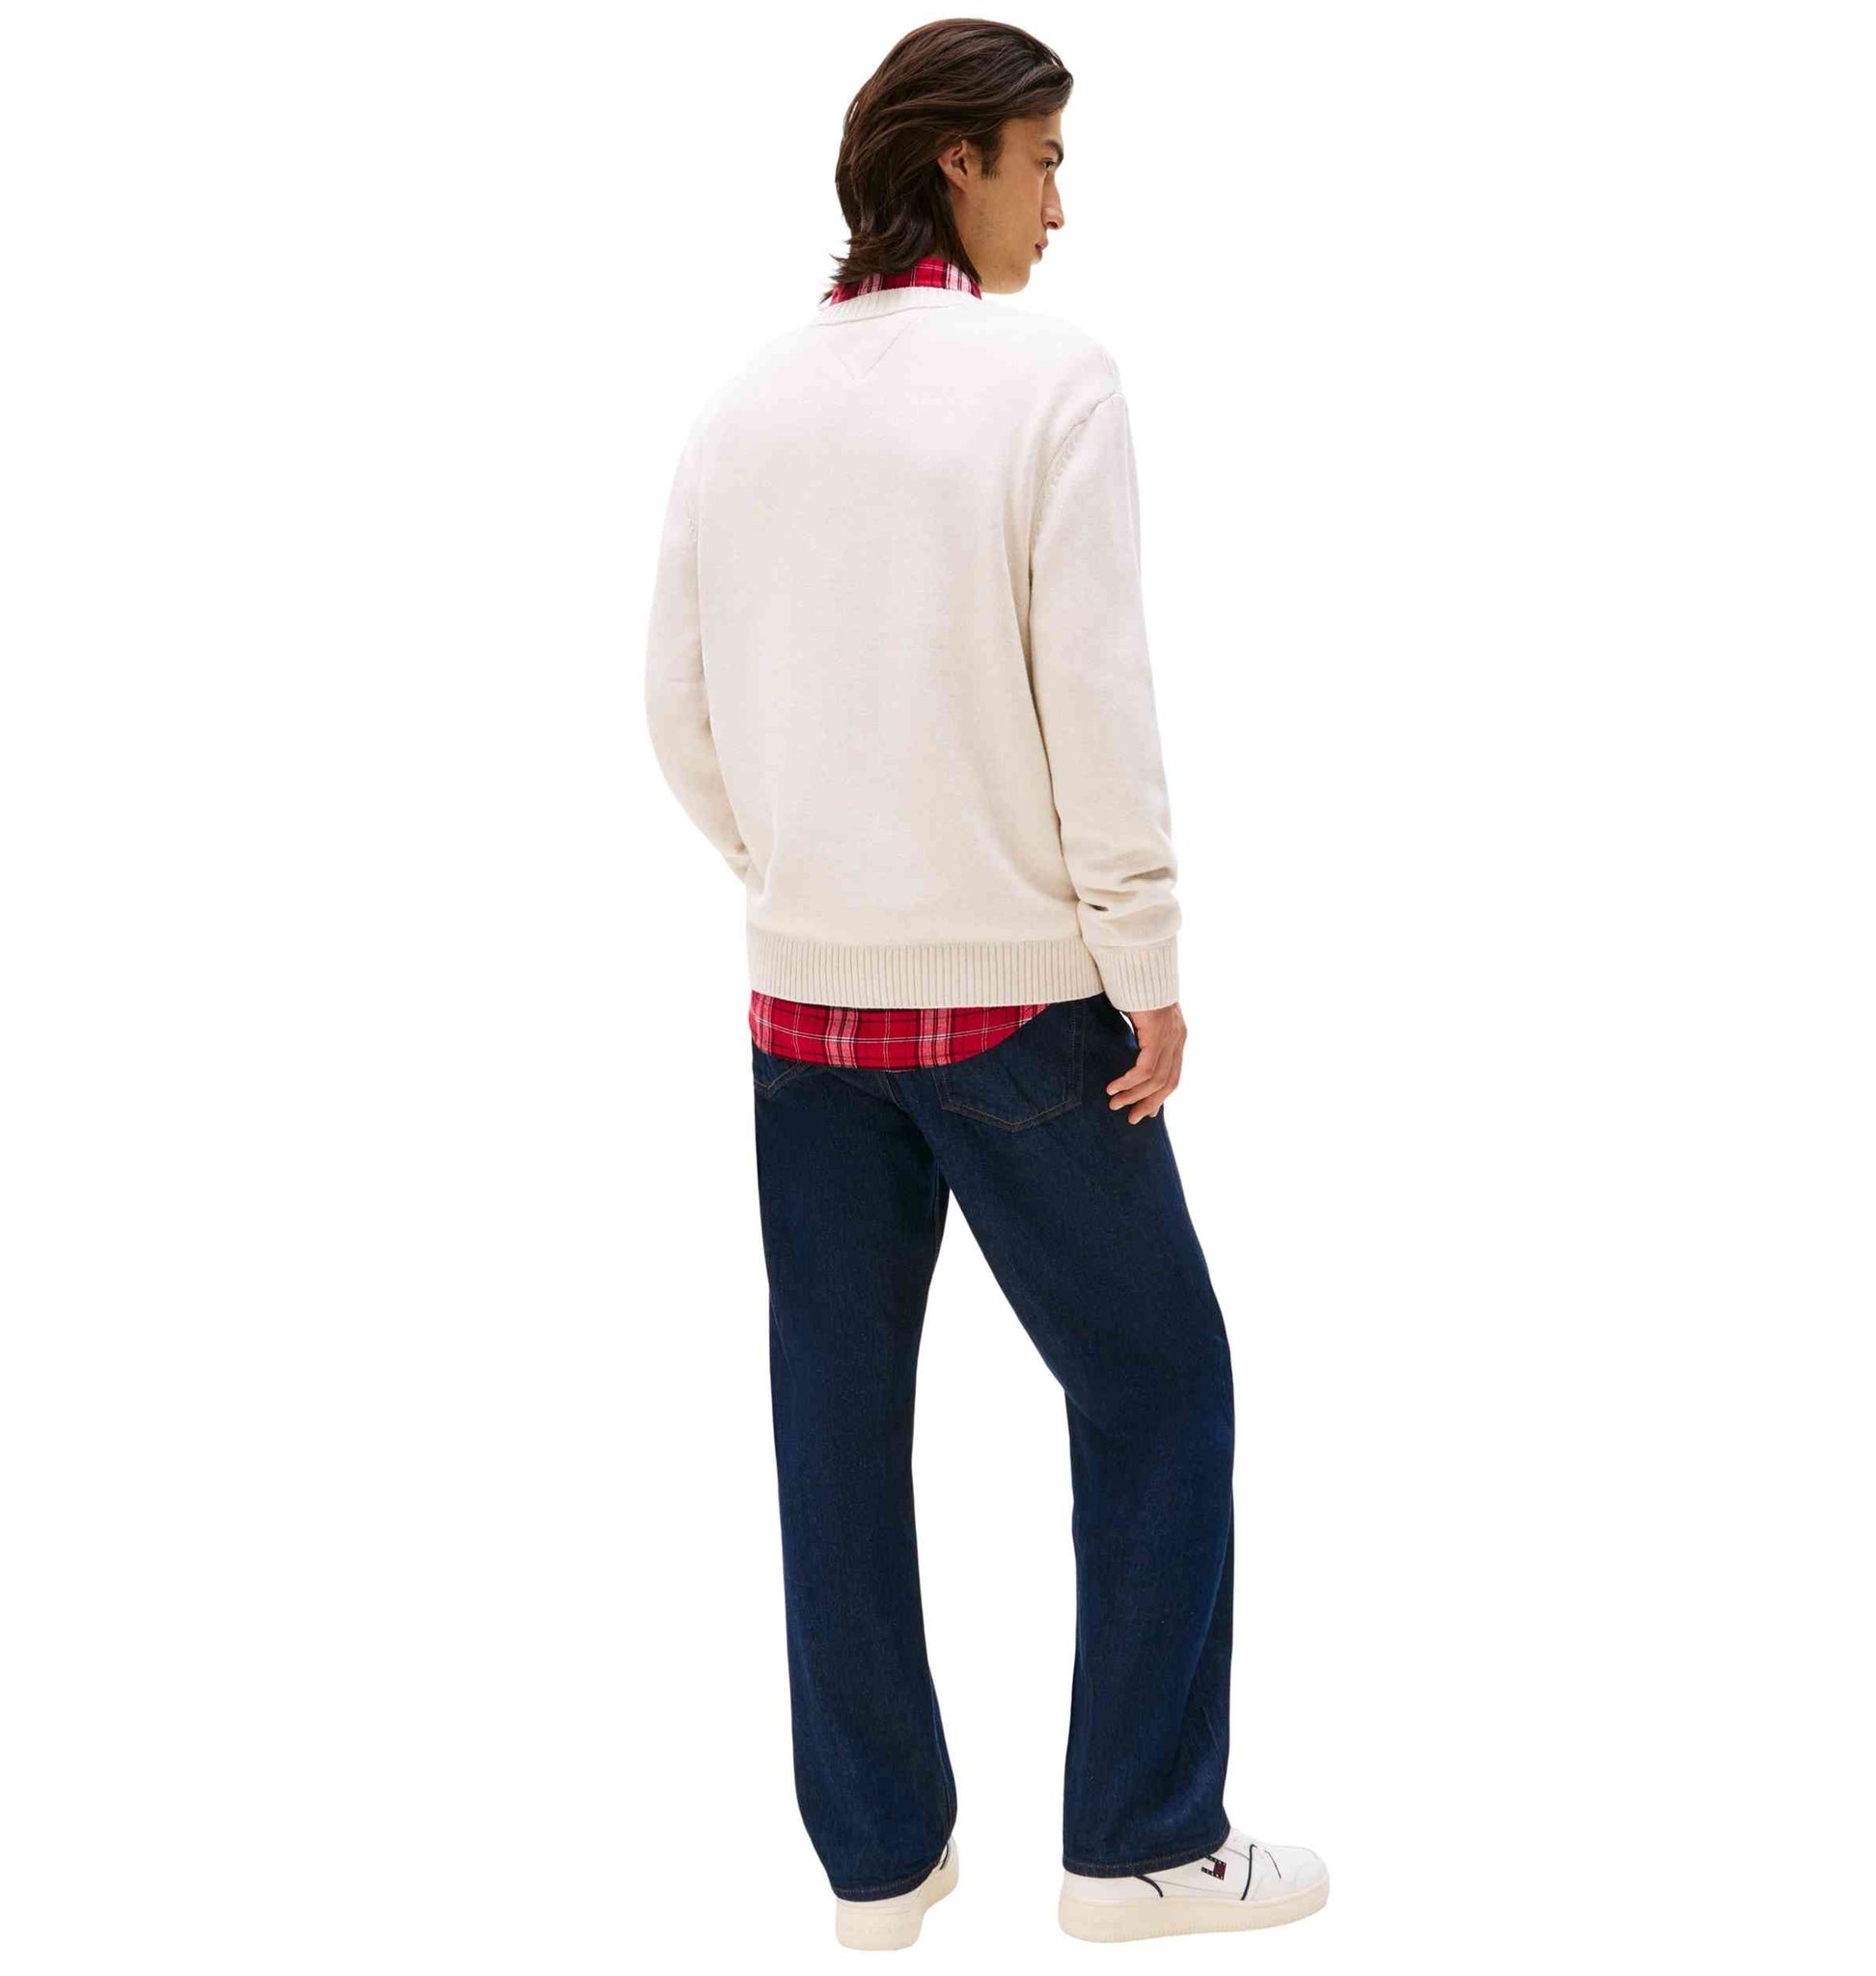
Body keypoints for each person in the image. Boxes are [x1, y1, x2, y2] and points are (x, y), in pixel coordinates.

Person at [644, 17, 1326, 1950]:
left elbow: (673, 704)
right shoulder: (1050, 384)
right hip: (1022, 1011)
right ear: (955, 163)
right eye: (1043, 161)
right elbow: (1094, 695)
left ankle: (876, 1868)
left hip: (803, 1014)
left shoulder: (743, 403)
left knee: (835, 1426)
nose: (1059, 204)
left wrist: (801, 876)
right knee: (1161, 1385)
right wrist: (1145, 956)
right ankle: (1141, 1841)